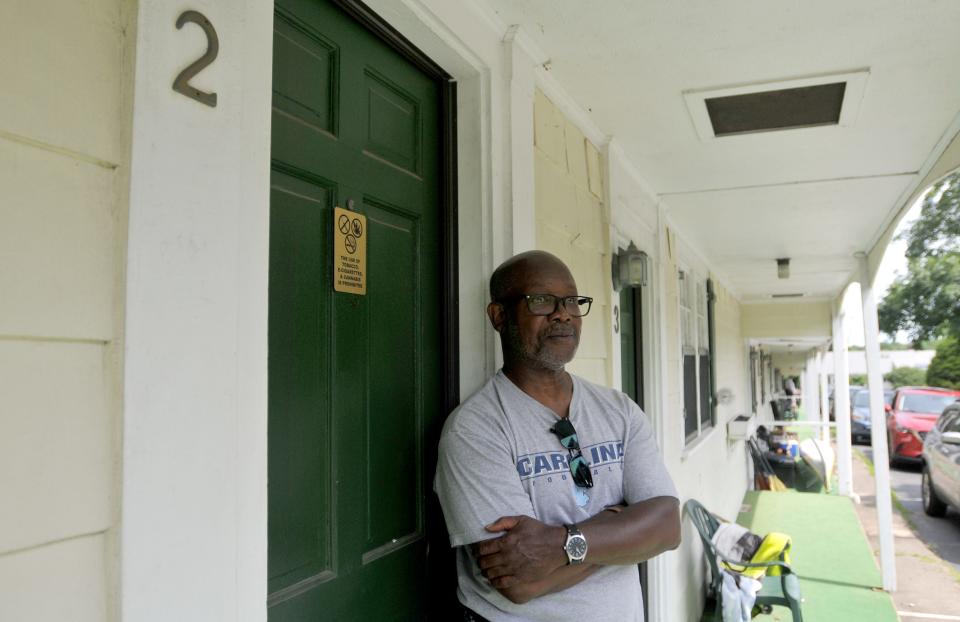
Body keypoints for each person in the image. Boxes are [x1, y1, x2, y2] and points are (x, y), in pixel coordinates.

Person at [434, 250, 680, 622]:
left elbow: (668, 527)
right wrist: (623, 532)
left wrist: (561, 545)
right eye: (541, 301)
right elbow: (519, 583)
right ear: (499, 316)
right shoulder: (475, 429)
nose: (563, 314)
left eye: (570, 301)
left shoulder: (619, 410)